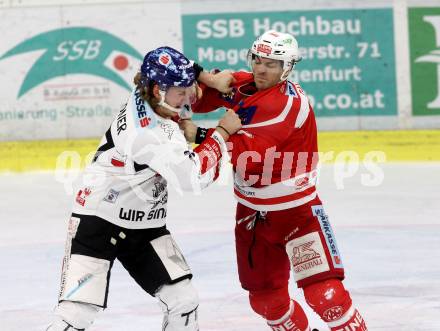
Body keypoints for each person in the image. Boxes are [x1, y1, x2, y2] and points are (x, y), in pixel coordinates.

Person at [180, 30, 368, 331]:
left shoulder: (285, 105)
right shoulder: (244, 84)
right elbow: (199, 97)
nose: (261, 68)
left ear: (287, 68)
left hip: (297, 213)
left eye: (272, 64)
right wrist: (202, 83)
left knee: (327, 297)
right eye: (258, 60)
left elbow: (245, 153)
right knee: (266, 302)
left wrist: (198, 134)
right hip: (251, 213)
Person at [46, 46, 242, 331]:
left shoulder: (152, 95)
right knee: (76, 315)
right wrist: (222, 133)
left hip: (144, 225)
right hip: (98, 221)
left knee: (184, 301)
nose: (190, 96)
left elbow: (169, 55)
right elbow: (194, 178)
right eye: (181, 91)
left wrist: (209, 81)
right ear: (157, 89)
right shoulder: (148, 134)